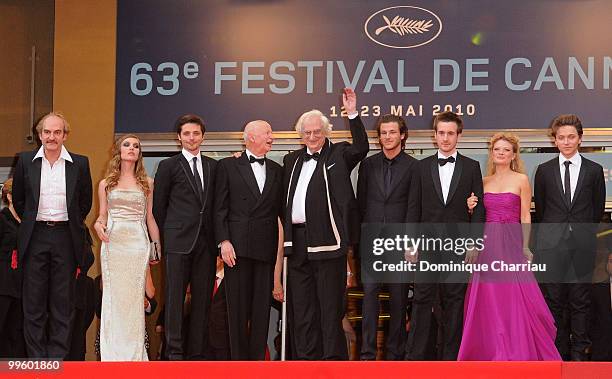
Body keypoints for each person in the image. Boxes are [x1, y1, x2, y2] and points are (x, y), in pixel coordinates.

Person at [282, 88, 368, 360]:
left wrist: (352, 112)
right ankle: (305, 361)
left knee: (330, 308)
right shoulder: (291, 160)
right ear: (300, 135)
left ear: (326, 131)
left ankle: (332, 362)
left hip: (329, 241)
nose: (311, 137)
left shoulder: (339, 154)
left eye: (317, 132)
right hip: (296, 242)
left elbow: (362, 147)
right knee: (303, 307)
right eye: (306, 133)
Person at [458, 132, 561, 360]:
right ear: (491, 153)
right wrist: (470, 207)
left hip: (512, 242)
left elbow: (526, 215)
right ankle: (493, 348)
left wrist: (525, 246)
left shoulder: (521, 180)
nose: (501, 153)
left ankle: (515, 348)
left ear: (514, 154)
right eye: (497, 149)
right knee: (490, 296)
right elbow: (476, 216)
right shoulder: (483, 182)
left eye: (506, 150)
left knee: (514, 295)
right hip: (487, 243)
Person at [405, 111, 485, 361]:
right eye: (441, 133)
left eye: (451, 133)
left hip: (458, 246)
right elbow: (413, 208)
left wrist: (473, 242)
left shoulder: (472, 167)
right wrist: (410, 244)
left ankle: (452, 359)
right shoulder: (421, 166)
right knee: (421, 299)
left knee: (454, 302)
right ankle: (415, 357)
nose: (445, 138)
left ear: (459, 136)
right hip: (426, 245)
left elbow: (479, 208)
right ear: (434, 135)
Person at [12, 112, 93, 358]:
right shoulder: (25, 161)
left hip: (65, 237)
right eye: (47, 132)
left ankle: (57, 359)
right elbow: (19, 199)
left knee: (63, 302)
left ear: (65, 135)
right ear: (39, 135)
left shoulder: (80, 163)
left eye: (57, 132)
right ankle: (38, 360)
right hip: (35, 236)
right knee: (33, 302)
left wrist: (69, 223)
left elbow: (84, 203)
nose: (51, 137)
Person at [533, 114, 606, 361]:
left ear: (580, 139)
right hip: (551, 245)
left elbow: (597, 209)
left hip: (582, 245)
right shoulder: (543, 171)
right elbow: (541, 209)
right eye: (561, 137)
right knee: (553, 299)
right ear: (554, 141)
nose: (566, 142)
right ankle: (557, 350)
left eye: (571, 137)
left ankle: (579, 352)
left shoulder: (594, 171)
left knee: (580, 299)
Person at [214, 120, 283, 360]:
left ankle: (257, 367)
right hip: (237, 250)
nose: (272, 137)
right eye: (268, 133)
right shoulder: (227, 166)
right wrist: (223, 241)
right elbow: (219, 208)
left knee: (261, 312)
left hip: (265, 249)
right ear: (251, 137)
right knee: (237, 312)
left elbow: (281, 211)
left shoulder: (277, 169)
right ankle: (238, 367)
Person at [153, 114, 217, 360]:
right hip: (177, 242)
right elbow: (159, 207)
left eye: (196, 133)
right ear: (179, 137)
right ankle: (174, 353)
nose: (192, 138)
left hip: (206, 244)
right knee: (174, 298)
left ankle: (197, 355)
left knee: (202, 301)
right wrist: (164, 240)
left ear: (203, 136)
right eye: (187, 133)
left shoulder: (214, 165)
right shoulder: (168, 166)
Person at [357, 114, 419, 360]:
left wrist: (411, 243)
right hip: (372, 240)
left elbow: (414, 207)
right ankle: (367, 354)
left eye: (392, 132)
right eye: (383, 133)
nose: (387, 137)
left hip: (400, 244)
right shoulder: (368, 165)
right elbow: (361, 204)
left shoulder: (415, 167)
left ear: (402, 135)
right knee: (369, 298)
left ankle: (395, 356)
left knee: (398, 300)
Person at [93, 134, 160, 361]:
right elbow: (102, 216)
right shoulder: (106, 184)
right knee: (113, 297)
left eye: (136, 146)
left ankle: (134, 355)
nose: (132, 148)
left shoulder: (147, 183)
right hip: (113, 245)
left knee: (133, 299)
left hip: (137, 245)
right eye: (127, 144)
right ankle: (112, 355)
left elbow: (150, 218)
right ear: (118, 150)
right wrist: (98, 225)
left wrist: (156, 247)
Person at [0, 178, 26, 358]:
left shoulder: (26, 223)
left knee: (15, 331)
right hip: (3, 284)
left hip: (21, 285)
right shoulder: (2, 220)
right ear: (9, 196)